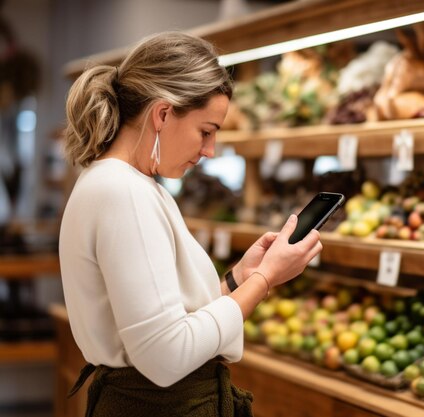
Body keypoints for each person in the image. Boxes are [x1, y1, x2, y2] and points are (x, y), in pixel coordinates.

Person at [59, 31, 322, 417]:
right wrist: (266, 279)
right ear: (163, 114)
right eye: (206, 131)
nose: (210, 151)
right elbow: (166, 355)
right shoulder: (124, 192)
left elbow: (165, 320)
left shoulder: (127, 185)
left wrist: (239, 279)